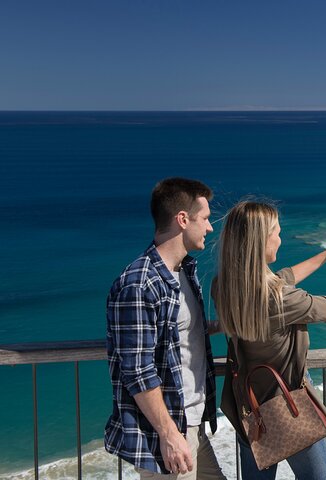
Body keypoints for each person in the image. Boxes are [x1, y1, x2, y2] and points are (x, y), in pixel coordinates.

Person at [213, 201, 326, 480]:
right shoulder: (282, 300)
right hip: (288, 408)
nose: (280, 238)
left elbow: (281, 279)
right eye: (276, 232)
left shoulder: (226, 287)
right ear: (259, 242)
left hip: (249, 410)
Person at [105, 177, 226, 479]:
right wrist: (169, 434)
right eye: (206, 219)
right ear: (183, 219)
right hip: (170, 433)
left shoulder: (185, 271)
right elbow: (136, 369)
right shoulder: (138, 283)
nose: (210, 228)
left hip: (193, 424)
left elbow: (180, 334)